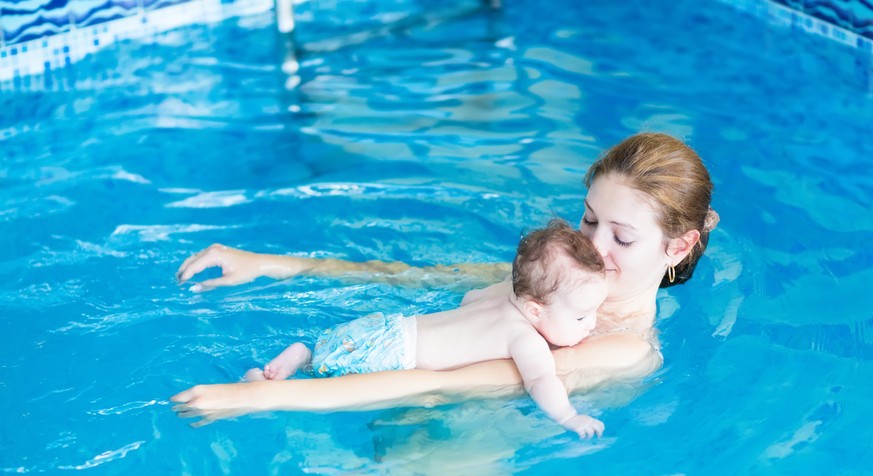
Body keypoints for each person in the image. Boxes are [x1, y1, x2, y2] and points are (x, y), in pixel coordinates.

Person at [171, 132, 720, 426]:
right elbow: (410, 278)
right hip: (376, 398)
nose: (594, 248)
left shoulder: (620, 351)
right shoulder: (556, 281)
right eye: (589, 220)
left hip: (449, 456)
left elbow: (437, 384)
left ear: (678, 246)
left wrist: (271, 400)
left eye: (622, 238)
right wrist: (269, 263)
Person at [244, 219, 609, 437]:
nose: (590, 324)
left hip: (381, 328)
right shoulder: (525, 338)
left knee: (322, 361)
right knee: (333, 391)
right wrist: (568, 416)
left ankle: (302, 354)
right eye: (581, 317)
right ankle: (268, 384)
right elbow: (541, 382)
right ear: (534, 309)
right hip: (391, 356)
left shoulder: (496, 297)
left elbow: (468, 298)